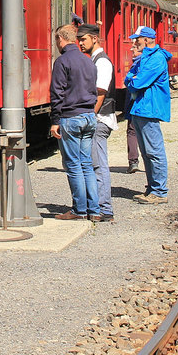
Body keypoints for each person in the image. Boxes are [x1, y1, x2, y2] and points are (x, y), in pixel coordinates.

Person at [49, 24, 100, 221]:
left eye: (56, 40)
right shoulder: (89, 61)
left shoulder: (62, 61)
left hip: (71, 117)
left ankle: (79, 210)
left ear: (60, 39)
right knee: (86, 163)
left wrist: (55, 120)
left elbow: (57, 93)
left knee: (73, 165)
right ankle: (94, 210)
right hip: (89, 116)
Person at [123, 26, 172, 204]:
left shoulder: (156, 58)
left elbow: (137, 83)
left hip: (149, 108)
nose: (134, 42)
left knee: (154, 151)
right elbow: (129, 78)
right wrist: (132, 79)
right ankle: (152, 188)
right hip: (142, 108)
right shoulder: (147, 57)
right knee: (146, 152)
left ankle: (159, 191)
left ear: (146, 39)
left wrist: (133, 80)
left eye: (137, 39)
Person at [77, 24, 115, 222]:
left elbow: (100, 92)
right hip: (96, 118)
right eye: (79, 40)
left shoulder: (102, 62)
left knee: (98, 164)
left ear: (94, 38)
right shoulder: (94, 60)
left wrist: (90, 116)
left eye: (83, 39)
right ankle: (96, 206)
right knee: (92, 164)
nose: (80, 43)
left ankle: (105, 208)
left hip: (99, 119)